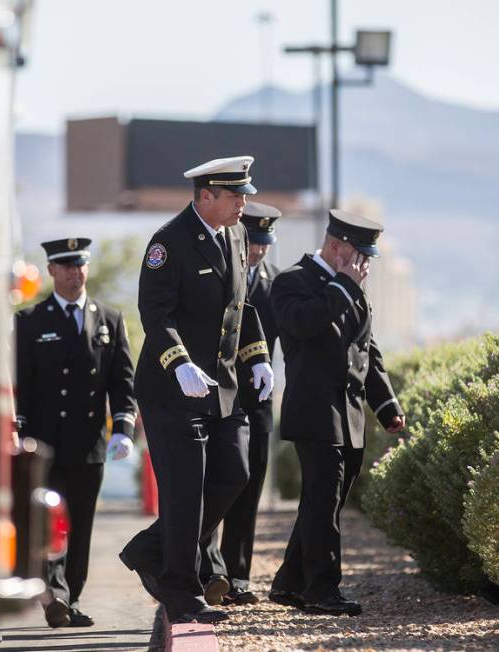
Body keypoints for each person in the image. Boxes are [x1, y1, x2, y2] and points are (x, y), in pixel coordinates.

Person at [119, 156, 275, 625]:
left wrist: (258, 356)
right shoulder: (168, 243)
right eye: (235, 196)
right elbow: (156, 313)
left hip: (221, 387)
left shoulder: (237, 234)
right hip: (173, 387)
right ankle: (182, 589)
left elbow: (240, 308)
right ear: (205, 196)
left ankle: (150, 549)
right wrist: (180, 362)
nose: (243, 204)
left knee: (234, 473)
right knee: (186, 490)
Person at [268, 209, 405, 616]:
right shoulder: (293, 282)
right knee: (321, 503)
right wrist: (345, 285)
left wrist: (386, 405)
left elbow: (367, 351)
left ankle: (289, 582)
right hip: (314, 412)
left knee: (321, 503)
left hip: (349, 416)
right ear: (337, 247)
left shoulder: (351, 287)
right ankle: (322, 590)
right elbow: (304, 324)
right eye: (360, 255)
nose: (365, 265)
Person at [15, 238, 137, 628]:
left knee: (81, 525)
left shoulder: (109, 319)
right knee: (51, 522)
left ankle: (72, 596)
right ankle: (55, 594)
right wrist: (17, 432)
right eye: (66, 266)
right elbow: (20, 383)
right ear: (51, 270)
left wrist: (122, 428)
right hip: (44, 444)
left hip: (88, 445)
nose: (75, 272)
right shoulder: (30, 321)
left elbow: (122, 383)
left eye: (80, 265)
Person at [199, 201, 282, 606]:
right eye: (253, 243)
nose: (258, 252)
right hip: (221, 397)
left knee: (249, 487)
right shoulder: (220, 273)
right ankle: (208, 568)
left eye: (265, 244)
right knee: (218, 484)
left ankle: (238, 573)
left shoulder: (276, 283)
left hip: (259, 401)